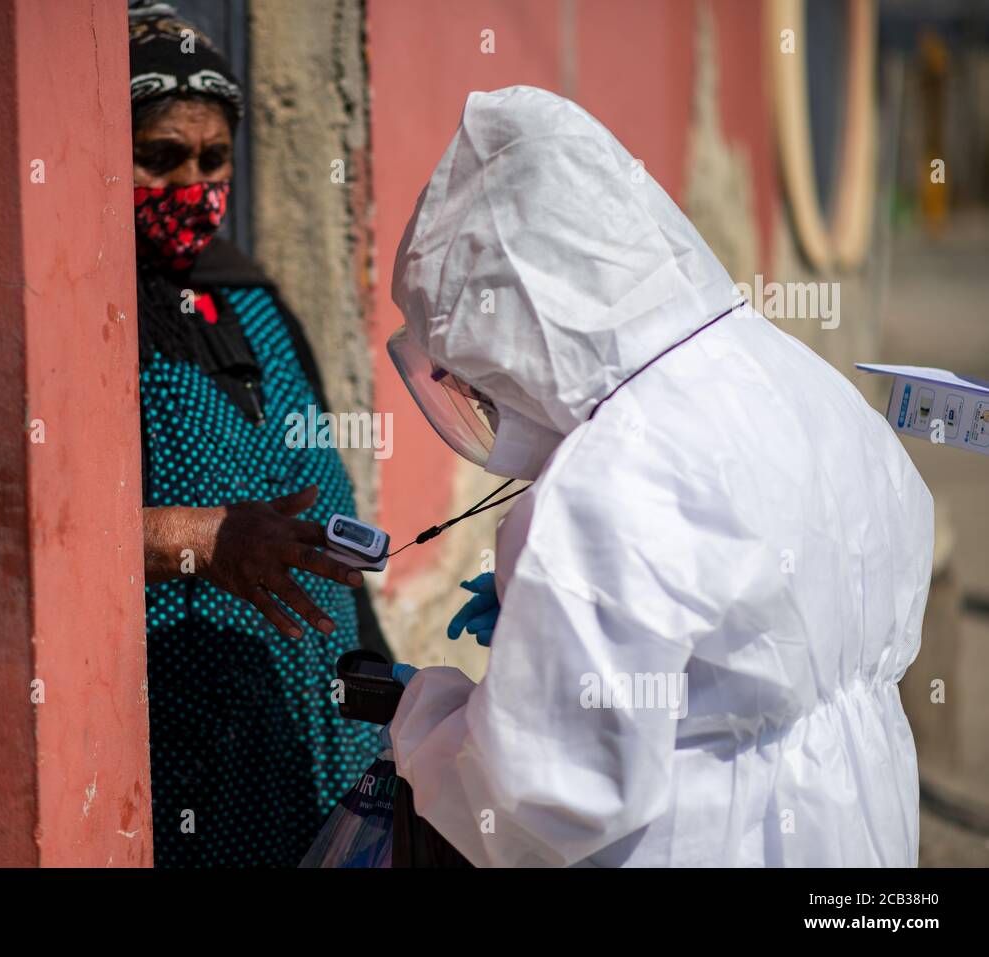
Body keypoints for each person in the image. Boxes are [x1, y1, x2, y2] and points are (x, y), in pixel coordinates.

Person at [383, 86, 933, 867]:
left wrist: (430, 715)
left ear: (513, 327)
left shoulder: (611, 477)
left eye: (473, 370)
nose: (482, 394)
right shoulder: (810, 384)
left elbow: (545, 801)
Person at [127, 4, 384, 867]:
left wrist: (387, 707)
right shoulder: (90, 325)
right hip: (192, 763)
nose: (193, 184)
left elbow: (335, 525)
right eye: (161, 157)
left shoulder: (256, 302)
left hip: (325, 753)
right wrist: (203, 539)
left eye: (214, 158)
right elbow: (48, 539)